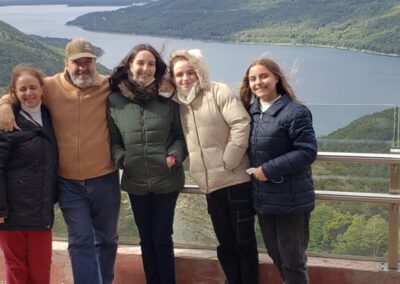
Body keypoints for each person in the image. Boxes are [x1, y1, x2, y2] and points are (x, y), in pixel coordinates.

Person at [0, 38, 120, 284]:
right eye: (77, 62)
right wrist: (3, 105)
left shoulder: (108, 85)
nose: (83, 67)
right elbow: (21, 90)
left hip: (104, 179)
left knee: (107, 239)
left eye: (88, 61)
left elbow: (144, 87)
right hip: (69, 184)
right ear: (66, 63)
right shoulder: (50, 87)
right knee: (80, 241)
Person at [169, 49, 259, 284]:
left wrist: (228, 161)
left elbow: (241, 123)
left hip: (235, 181)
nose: (185, 78)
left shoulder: (217, 91)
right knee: (225, 244)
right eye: (179, 74)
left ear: (199, 72)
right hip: (210, 187)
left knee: (244, 243)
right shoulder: (179, 102)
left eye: (190, 72)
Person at [107, 44, 187, 284]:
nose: (145, 68)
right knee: (146, 238)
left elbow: (180, 136)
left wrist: (173, 156)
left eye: (150, 63)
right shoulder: (114, 101)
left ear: (157, 68)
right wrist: (123, 159)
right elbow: (113, 141)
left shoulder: (168, 100)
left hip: (167, 178)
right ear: (130, 66)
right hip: (136, 180)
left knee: (162, 236)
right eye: (140, 63)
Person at [240, 56, 317, 284]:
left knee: (293, 261)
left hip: (291, 200)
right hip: (264, 200)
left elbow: (307, 152)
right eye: (253, 78)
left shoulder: (295, 111)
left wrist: (268, 170)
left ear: (276, 78)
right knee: (276, 256)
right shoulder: (250, 113)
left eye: (263, 76)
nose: (258, 82)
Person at [0, 64, 58, 284]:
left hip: (41, 211)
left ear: (42, 88)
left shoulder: (50, 115)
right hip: (11, 213)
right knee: (17, 271)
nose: (29, 93)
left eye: (33, 87)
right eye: (22, 89)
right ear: (14, 93)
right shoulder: (7, 120)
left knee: (41, 271)